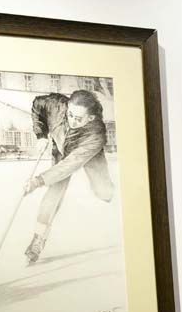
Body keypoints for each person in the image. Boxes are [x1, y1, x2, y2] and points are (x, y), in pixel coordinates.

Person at [22, 89, 114, 264]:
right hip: (61, 149)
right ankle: (37, 240)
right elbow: (37, 106)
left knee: (104, 192)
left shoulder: (96, 135)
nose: (71, 121)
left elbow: (70, 165)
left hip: (87, 154)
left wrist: (38, 181)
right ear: (67, 106)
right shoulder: (55, 105)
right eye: (70, 114)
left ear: (90, 118)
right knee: (53, 193)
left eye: (78, 119)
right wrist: (41, 134)